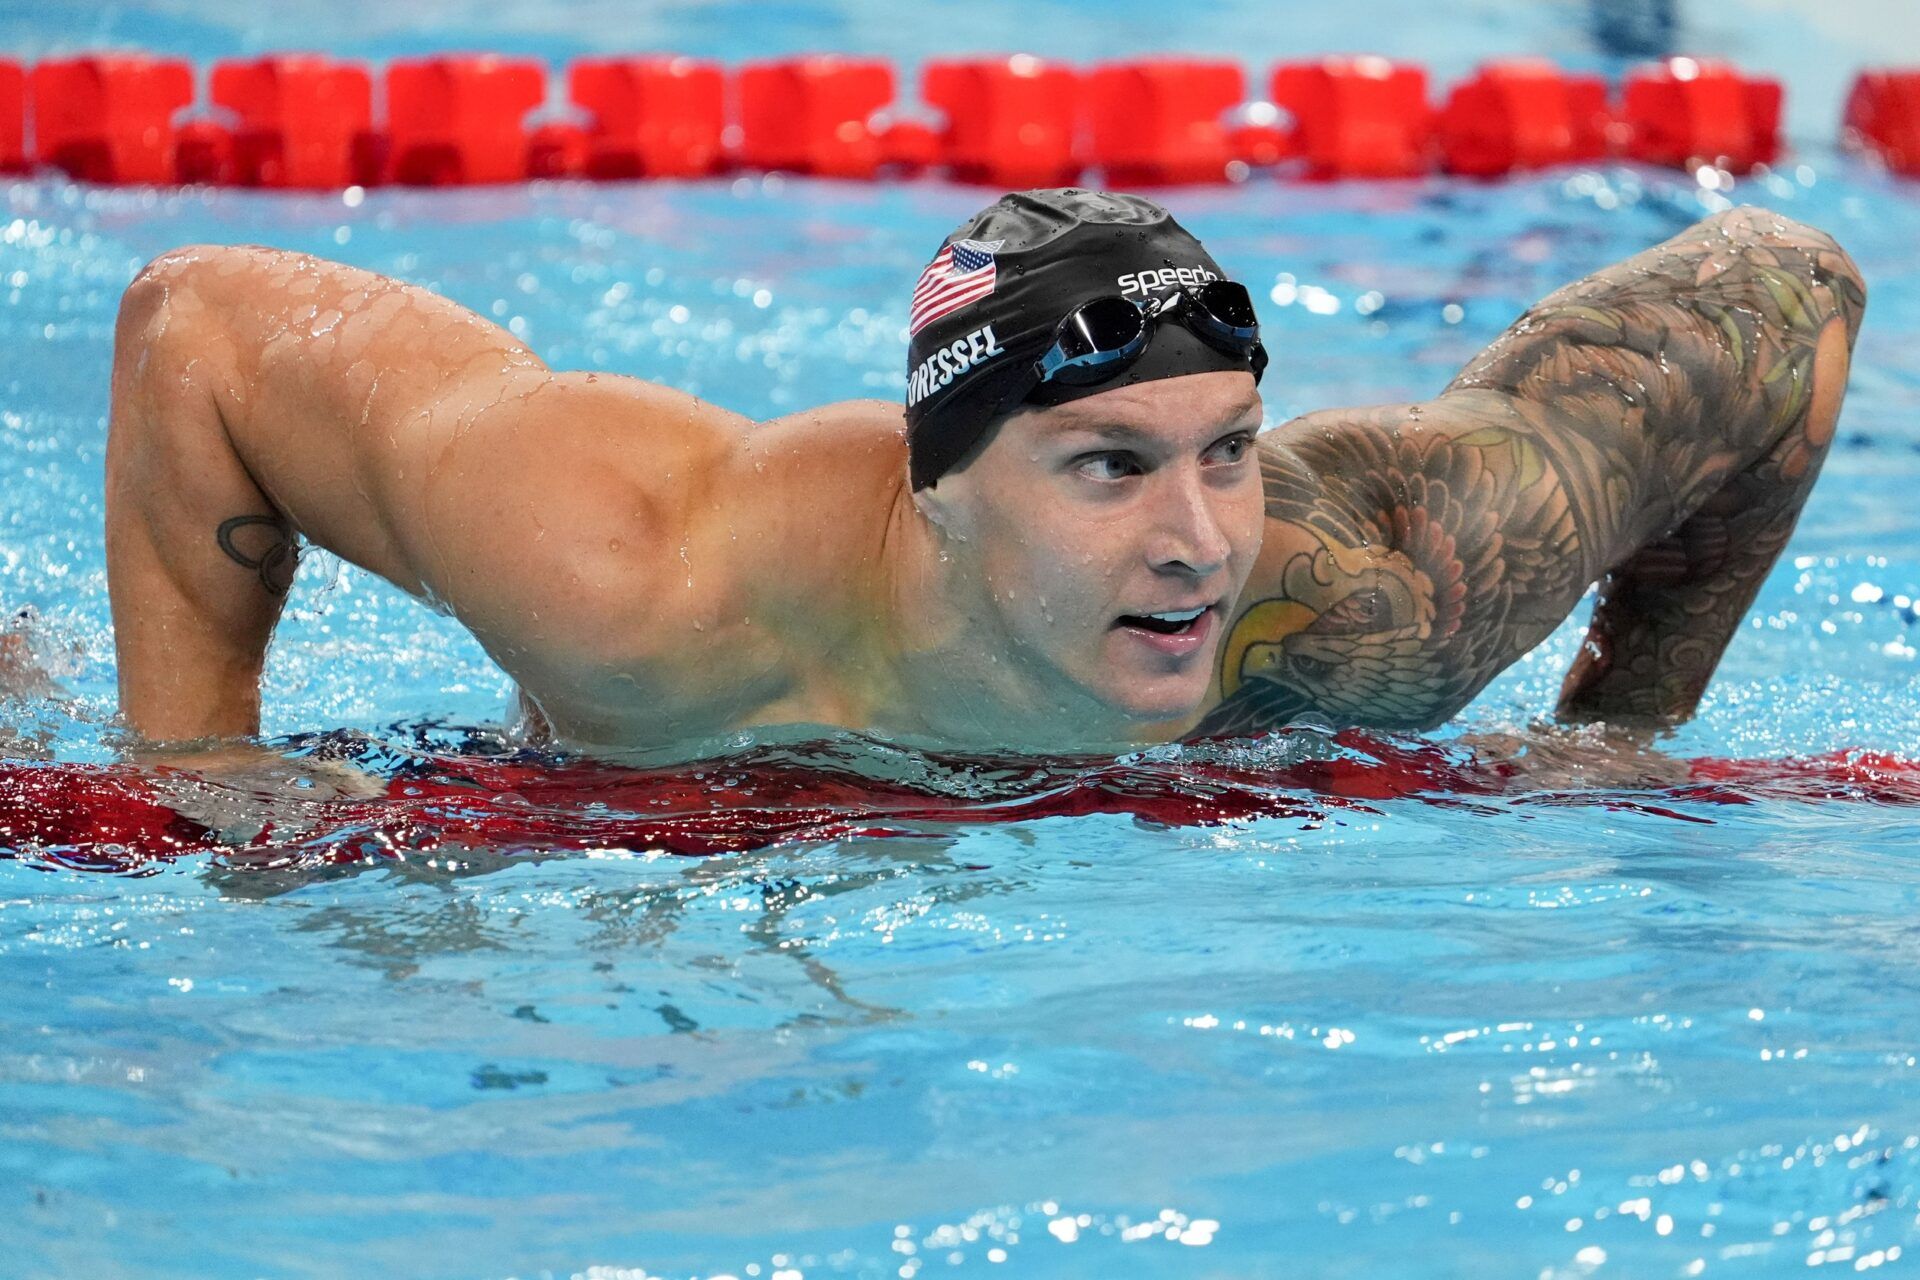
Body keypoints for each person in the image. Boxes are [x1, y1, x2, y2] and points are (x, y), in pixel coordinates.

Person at [105, 189, 1863, 759]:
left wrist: (1616, 741)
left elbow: (1789, 297)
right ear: (934, 481)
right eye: (1109, 466)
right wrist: (195, 770)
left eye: (1228, 454)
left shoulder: (1351, 600)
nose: (1198, 545)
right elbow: (196, 330)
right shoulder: (625, 576)